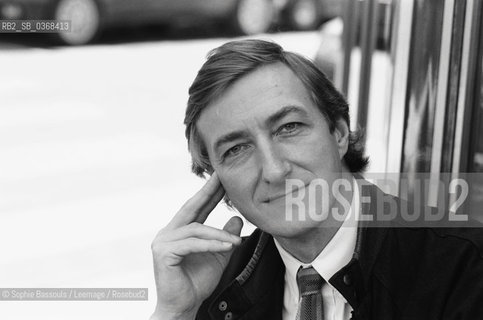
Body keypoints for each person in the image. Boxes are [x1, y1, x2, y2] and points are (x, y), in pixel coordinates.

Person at [150, 39, 483, 320]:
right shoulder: (214, 279)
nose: (275, 170)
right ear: (217, 183)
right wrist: (176, 312)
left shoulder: (463, 263)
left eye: (289, 128)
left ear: (338, 133)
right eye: (237, 149)